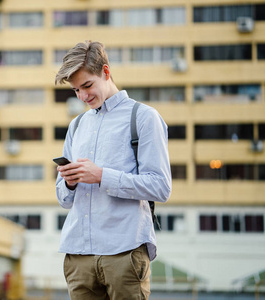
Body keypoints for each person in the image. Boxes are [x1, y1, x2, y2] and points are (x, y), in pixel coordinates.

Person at [55, 40, 172, 300]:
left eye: (87, 86)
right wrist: (70, 182)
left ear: (106, 73)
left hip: (124, 253)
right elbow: (63, 199)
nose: (83, 97)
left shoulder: (143, 117)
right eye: (76, 90)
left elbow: (161, 187)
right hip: (78, 256)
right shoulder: (76, 126)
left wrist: (102, 176)